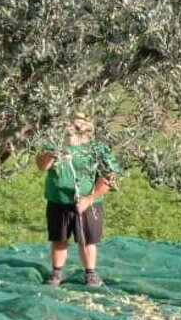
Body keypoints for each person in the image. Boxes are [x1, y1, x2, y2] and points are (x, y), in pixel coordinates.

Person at [37, 115, 120, 286]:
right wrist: (56, 150)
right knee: (59, 239)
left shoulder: (98, 149)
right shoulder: (55, 144)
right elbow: (41, 166)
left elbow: (109, 179)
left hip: (89, 203)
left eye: (80, 123)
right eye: (72, 123)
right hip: (58, 201)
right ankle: (56, 273)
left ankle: (90, 273)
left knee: (87, 240)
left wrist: (88, 200)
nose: (75, 126)